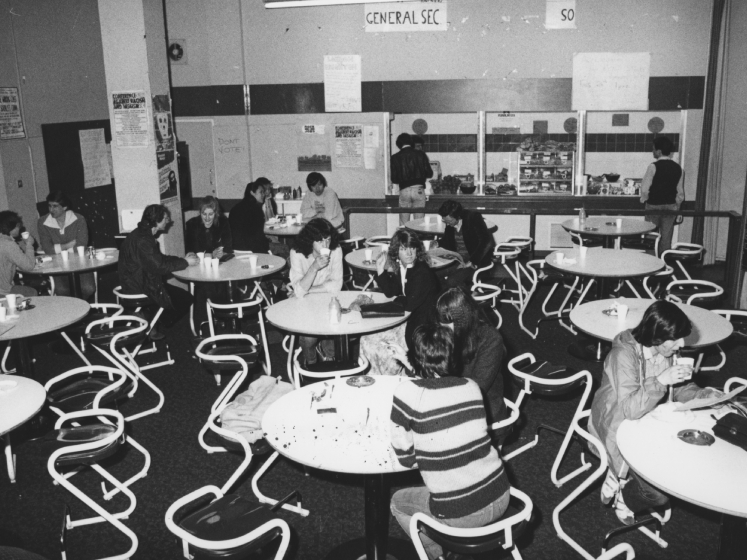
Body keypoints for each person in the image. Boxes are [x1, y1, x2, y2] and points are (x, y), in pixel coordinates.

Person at [589, 300, 722, 525]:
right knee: (658, 494)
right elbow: (630, 410)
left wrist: (703, 395)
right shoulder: (622, 356)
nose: (680, 344)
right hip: (615, 425)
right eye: (675, 338)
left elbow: (679, 389)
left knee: (683, 466)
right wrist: (661, 380)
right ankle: (624, 490)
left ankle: (620, 479)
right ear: (656, 336)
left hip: (649, 422)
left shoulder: (666, 351)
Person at [390, 324, 511, 560]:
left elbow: (406, 459)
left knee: (397, 502)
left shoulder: (406, 394)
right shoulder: (472, 387)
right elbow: (439, 389)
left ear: (416, 359)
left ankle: (437, 555)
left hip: (461, 514)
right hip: (501, 495)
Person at [437, 286, 509, 444]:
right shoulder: (452, 332)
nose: (444, 329)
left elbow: (477, 389)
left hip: (483, 410)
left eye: (449, 323)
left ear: (462, 320)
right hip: (458, 401)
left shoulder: (490, 339)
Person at [118, 204, 199, 338]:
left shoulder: (141, 234)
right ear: (156, 221)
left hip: (136, 281)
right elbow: (160, 267)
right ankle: (150, 319)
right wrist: (185, 263)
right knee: (186, 298)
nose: (168, 221)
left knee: (178, 296)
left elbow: (158, 259)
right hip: (140, 287)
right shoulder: (144, 240)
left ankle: (150, 318)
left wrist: (183, 260)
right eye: (166, 218)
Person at [288, 218, 343, 367]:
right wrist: (313, 268)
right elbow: (299, 293)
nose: (326, 245)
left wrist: (308, 290)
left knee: (333, 327)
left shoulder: (336, 250)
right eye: (320, 241)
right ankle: (311, 363)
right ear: (310, 240)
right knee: (308, 339)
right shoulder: (297, 253)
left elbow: (337, 285)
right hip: (305, 304)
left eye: (328, 240)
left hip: (327, 300)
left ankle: (329, 359)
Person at [185, 196, 233, 327]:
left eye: (211, 214)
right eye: (203, 214)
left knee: (223, 283)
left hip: (219, 266)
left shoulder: (223, 222)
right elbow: (191, 251)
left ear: (216, 213)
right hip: (199, 269)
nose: (207, 218)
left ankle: (222, 316)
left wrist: (222, 253)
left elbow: (228, 247)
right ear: (199, 213)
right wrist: (211, 254)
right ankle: (205, 321)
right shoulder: (192, 225)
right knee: (206, 287)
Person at [37, 191, 95, 299]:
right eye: (49, 206)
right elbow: (48, 249)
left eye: (55, 206)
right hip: (57, 264)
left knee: (88, 288)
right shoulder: (43, 222)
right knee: (62, 291)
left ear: (64, 207)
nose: (51, 210)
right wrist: (69, 244)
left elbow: (81, 245)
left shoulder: (78, 219)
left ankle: (79, 308)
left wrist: (58, 248)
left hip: (80, 261)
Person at [436, 200, 495, 289]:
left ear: (457, 216)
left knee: (452, 281)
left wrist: (473, 261)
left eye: (449, 221)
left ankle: (460, 299)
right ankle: (447, 298)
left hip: (474, 260)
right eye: (445, 221)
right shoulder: (450, 223)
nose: (447, 224)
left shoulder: (473, 217)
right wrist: (437, 243)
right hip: (458, 259)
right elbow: (447, 241)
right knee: (433, 275)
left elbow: (486, 241)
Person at [640, 136, 684, 253]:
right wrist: (678, 208)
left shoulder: (653, 166)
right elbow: (680, 193)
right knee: (666, 239)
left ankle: (650, 265)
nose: (653, 151)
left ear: (659, 151)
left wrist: (644, 198)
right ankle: (663, 264)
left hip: (653, 206)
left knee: (651, 237)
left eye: (654, 149)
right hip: (671, 207)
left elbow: (644, 188)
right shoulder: (678, 168)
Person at [229, 181, 289, 259]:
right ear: (252, 193)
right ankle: (283, 270)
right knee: (285, 248)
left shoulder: (235, 208)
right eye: (261, 192)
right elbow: (258, 238)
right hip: (253, 250)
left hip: (236, 250)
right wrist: (267, 251)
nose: (263, 194)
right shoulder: (256, 209)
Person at [390, 132, 433, 226]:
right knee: (419, 223)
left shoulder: (394, 157)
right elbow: (429, 173)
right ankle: (418, 240)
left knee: (404, 223)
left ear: (399, 144)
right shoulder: (421, 154)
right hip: (419, 190)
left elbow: (394, 179)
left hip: (404, 190)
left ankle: (404, 240)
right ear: (411, 142)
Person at [0, 211, 38, 298]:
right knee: (32, 292)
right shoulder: (8, 244)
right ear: (15, 226)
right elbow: (28, 266)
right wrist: (29, 244)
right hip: (3, 292)